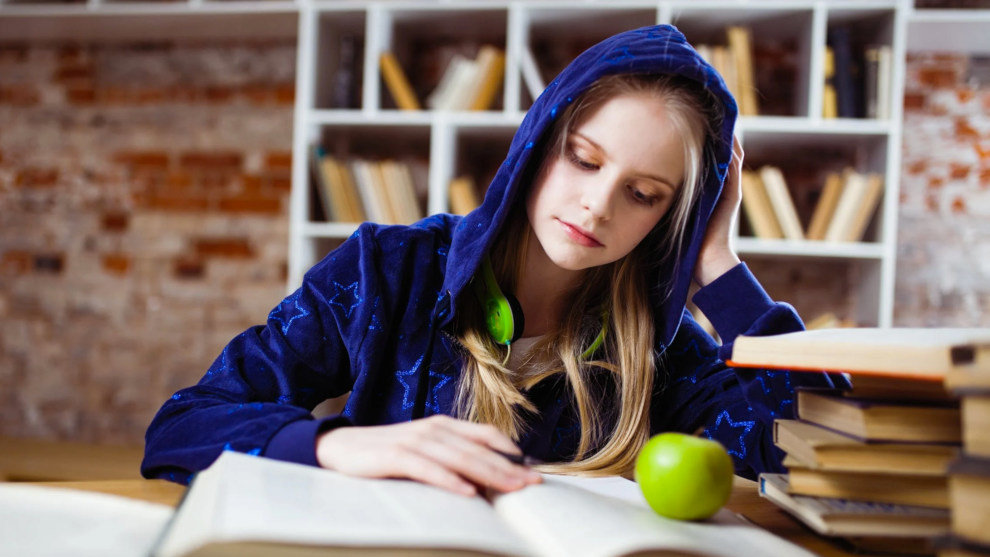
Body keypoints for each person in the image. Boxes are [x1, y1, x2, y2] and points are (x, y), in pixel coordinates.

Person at [142, 24, 843, 496]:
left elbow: (831, 450)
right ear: (537, 144)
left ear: (672, 219)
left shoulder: (657, 345)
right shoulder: (387, 272)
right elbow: (184, 424)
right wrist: (333, 447)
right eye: (583, 159)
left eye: (643, 193)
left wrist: (718, 263)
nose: (598, 206)